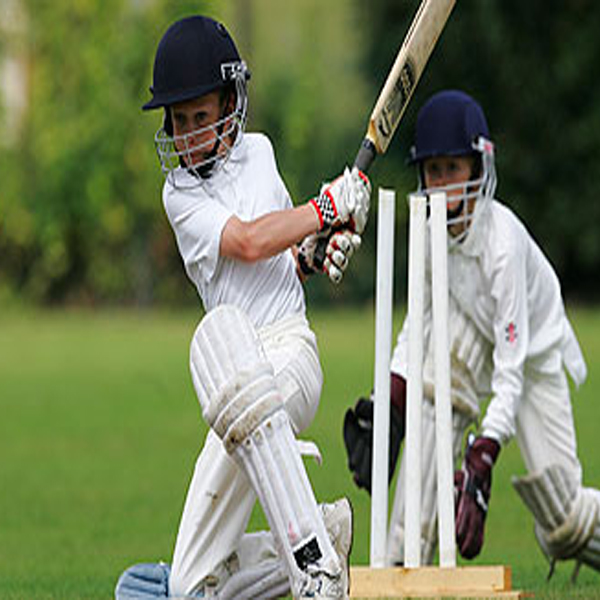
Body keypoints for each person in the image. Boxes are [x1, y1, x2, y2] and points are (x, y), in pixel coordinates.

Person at [115, 15, 371, 600]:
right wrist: (325, 207)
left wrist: (313, 250)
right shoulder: (178, 193)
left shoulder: (259, 153)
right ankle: (321, 534)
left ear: (231, 105)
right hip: (234, 381)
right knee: (189, 586)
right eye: (178, 122)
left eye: (200, 118)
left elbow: (277, 255)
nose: (188, 135)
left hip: (288, 356)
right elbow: (251, 242)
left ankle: (317, 571)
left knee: (240, 369)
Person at [343, 89, 600, 579]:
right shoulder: (426, 231)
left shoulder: (502, 245)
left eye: (452, 171)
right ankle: (401, 560)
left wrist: (482, 460)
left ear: (479, 169)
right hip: (469, 332)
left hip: (535, 358)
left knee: (563, 523)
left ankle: (553, 523)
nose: (440, 187)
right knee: (437, 380)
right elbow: (415, 327)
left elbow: (512, 368)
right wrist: (390, 398)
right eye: (432, 172)